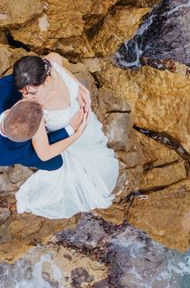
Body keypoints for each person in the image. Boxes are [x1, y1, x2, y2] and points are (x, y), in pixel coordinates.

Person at [12, 53, 119, 219]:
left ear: (47, 79)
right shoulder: (34, 110)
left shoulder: (52, 65)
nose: (26, 98)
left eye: (32, 92)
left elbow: (57, 58)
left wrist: (79, 88)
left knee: (95, 146)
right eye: (24, 93)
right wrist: (75, 132)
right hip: (71, 139)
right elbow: (44, 153)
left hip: (85, 123)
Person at [0, 73, 85, 171]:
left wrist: (76, 86)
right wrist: (70, 131)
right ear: (32, 137)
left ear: (11, 108)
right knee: (56, 163)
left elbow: (25, 74)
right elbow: (44, 153)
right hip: (3, 149)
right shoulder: (6, 155)